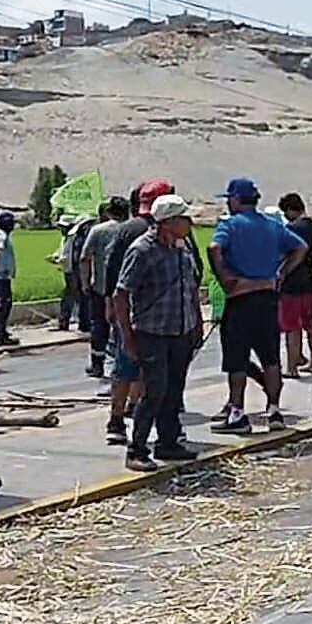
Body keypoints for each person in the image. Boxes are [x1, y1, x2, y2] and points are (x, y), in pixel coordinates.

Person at [113, 194, 205, 472]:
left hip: (180, 330)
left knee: (173, 390)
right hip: (151, 332)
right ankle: (137, 448)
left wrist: (196, 322)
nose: (189, 223)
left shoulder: (182, 248)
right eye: (184, 218)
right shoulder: (142, 250)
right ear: (168, 222)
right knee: (154, 390)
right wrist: (127, 335)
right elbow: (121, 294)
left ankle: (168, 442)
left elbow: (189, 289)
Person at [209, 178, 308, 434]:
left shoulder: (229, 225)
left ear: (236, 199)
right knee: (271, 358)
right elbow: (300, 248)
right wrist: (281, 273)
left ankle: (238, 414)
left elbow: (214, 248)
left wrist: (224, 278)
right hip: (267, 297)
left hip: (240, 298)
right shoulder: (272, 225)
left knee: (237, 361)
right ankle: (274, 410)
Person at [103, 182, 173, 445]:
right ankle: (136, 415)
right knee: (146, 369)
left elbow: (111, 271)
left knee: (125, 367)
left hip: (128, 310)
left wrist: (109, 304)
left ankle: (117, 419)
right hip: (155, 316)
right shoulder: (165, 235)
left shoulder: (125, 230)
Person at [82, 197, 131, 378]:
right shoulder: (130, 230)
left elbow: (85, 258)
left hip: (100, 287)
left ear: (109, 212)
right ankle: (121, 365)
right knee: (123, 326)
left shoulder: (98, 230)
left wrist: (85, 282)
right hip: (125, 287)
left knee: (99, 325)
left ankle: (97, 365)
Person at [278, 193, 312, 376]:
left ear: (290, 209)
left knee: (292, 326)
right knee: (311, 323)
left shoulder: (292, 228)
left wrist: (283, 273)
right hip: (309, 279)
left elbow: (288, 254)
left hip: (292, 282)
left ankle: (292, 367)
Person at [0, 211, 19, 346]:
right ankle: (1, 334)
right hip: (2, 276)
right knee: (4, 305)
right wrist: (1, 267)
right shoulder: (1, 235)